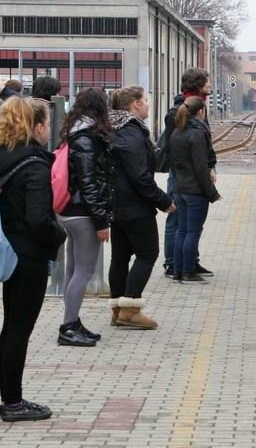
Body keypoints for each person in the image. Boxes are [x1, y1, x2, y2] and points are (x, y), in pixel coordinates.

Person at [0, 96, 66, 422]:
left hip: (7, 252)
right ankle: (13, 403)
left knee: (11, 328)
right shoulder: (34, 164)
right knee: (19, 330)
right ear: (35, 126)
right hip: (29, 257)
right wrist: (59, 237)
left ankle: (10, 397)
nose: (48, 129)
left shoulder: (0, 158)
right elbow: (37, 219)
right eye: (45, 123)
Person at [108, 85, 174, 329]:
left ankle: (117, 309)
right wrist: (163, 200)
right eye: (145, 100)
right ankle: (130, 309)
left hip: (116, 204)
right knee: (147, 254)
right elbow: (140, 177)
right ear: (135, 104)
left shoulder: (114, 130)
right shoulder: (133, 134)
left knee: (120, 257)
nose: (148, 104)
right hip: (135, 206)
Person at [56, 88, 111, 347]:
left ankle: (72, 321)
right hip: (83, 214)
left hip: (68, 210)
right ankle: (68, 327)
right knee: (84, 271)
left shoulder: (72, 133)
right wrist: (101, 221)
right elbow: (89, 182)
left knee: (72, 269)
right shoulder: (88, 139)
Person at [157, 67, 214, 279]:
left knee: (189, 223)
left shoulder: (199, 107)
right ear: (199, 85)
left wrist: (210, 166)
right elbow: (175, 147)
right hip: (181, 174)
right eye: (207, 82)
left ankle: (189, 261)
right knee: (177, 218)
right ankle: (173, 263)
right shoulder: (178, 111)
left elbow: (205, 143)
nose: (210, 86)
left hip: (191, 173)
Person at [169, 96, 219, 284]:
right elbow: (200, 166)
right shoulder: (197, 134)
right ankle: (189, 271)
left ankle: (178, 271)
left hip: (180, 188)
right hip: (195, 190)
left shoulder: (177, 133)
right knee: (193, 231)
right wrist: (210, 192)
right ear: (201, 112)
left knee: (181, 230)